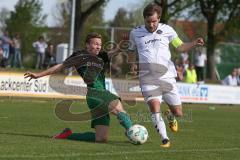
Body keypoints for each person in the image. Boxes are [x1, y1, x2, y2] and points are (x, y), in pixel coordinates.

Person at [25, 32, 133, 143]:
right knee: (119, 109)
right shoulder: (79, 56)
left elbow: (116, 51)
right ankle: (132, 131)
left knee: (101, 138)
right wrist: (38, 75)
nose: (98, 47)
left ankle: (68, 135)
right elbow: (60, 66)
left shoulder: (102, 56)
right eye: (95, 44)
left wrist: (122, 42)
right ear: (87, 45)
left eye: (99, 44)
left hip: (101, 94)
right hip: (94, 93)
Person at [128, 3, 204, 147]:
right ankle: (165, 138)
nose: (151, 24)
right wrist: (132, 63)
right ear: (144, 20)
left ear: (159, 18)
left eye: (154, 21)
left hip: (167, 77)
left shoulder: (168, 30)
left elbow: (180, 47)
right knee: (154, 107)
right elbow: (131, 50)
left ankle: (170, 115)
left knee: (179, 113)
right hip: (147, 78)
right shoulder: (135, 33)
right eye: (148, 21)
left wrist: (194, 43)